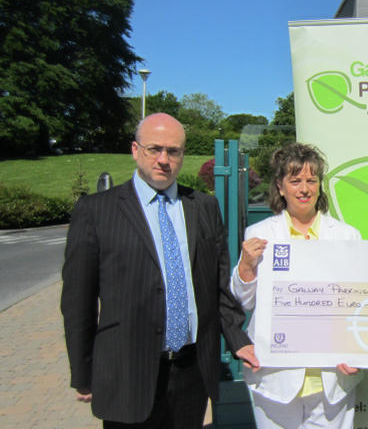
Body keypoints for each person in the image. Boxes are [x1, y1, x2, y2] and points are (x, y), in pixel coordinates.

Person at [61, 113, 255, 428]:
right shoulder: (97, 211)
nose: (163, 159)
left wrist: (238, 338)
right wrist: (83, 372)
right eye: (154, 149)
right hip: (127, 369)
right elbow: (77, 300)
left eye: (174, 151)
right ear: (136, 150)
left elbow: (217, 285)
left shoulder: (204, 207)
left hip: (191, 370)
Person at [230, 143, 363, 428]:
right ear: (280, 187)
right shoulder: (259, 235)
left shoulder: (347, 237)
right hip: (275, 377)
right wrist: (245, 267)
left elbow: (356, 306)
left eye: (311, 180)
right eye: (295, 180)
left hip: (333, 379)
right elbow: (243, 302)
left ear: (319, 186)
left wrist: (356, 352)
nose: (304, 189)